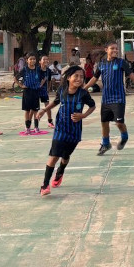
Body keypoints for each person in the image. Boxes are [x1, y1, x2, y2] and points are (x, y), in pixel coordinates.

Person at [36, 65, 96, 196]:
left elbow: (92, 106)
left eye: (81, 77)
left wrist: (83, 115)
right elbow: (56, 101)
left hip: (74, 131)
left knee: (65, 156)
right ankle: (45, 185)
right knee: (54, 156)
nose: (79, 79)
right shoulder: (62, 89)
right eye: (76, 76)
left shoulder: (83, 94)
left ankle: (60, 171)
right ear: (69, 77)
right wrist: (44, 110)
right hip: (60, 129)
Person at [85, 41, 134, 155]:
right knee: (104, 122)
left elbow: (131, 75)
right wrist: (85, 87)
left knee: (119, 123)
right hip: (106, 99)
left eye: (116, 49)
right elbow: (94, 78)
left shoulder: (121, 62)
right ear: (106, 50)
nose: (115, 50)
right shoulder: (101, 64)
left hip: (118, 98)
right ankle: (105, 143)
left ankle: (124, 137)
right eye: (112, 48)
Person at [17, 54, 45, 134]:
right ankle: (27, 127)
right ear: (27, 60)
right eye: (31, 59)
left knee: (36, 110)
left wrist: (41, 84)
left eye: (34, 59)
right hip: (27, 92)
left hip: (35, 91)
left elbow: (44, 77)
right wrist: (21, 85)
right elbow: (16, 78)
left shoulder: (38, 69)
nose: (32, 60)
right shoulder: (24, 69)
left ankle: (36, 127)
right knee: (27, 110)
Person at [39, 56, 55, 128]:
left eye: (47, 59)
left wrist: (48, 89)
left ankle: (50, 122)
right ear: (40, 61)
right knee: (34, 108)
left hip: (44, 91)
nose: (46, 60)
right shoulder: (37, 70)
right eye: (44, 59)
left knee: (48, 106)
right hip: (36, 91)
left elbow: (49, 80)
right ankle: (34, 124)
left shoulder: (48, 70)